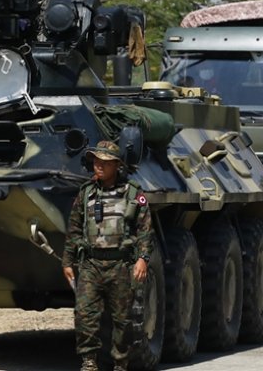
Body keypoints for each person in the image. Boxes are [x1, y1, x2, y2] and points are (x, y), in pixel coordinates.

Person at [62, 140, 153, 371]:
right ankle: (89, 362)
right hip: (91, 264)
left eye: (105, 162)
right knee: (85, 315)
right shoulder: (86, 193)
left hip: (120, 265)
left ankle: (120, 364)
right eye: (96, 161)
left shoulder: (133, 193)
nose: (99, 166)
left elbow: (144, 230)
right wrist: (68, 261)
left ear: (117, 165)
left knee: (123, 320)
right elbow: (74, 228)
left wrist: (142, 259)